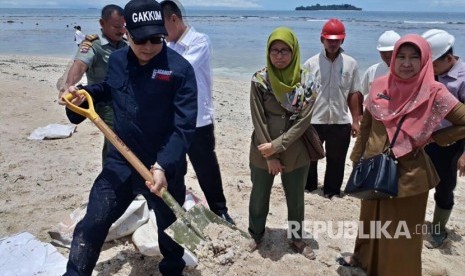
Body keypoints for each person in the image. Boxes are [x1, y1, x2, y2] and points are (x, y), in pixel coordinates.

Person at [61, 0, 198, 275]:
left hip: (164, 166)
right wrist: (87, 94)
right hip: (121, 159)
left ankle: (172, 269)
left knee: (170, 233)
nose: (148, 46)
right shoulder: (119, 60)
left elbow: (183, 128)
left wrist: (162, 165)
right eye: (140, 39)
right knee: (93, 222)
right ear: (127, 34)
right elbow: (110, 89)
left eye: (156, 39)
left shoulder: (180, 70)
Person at [341, 34, 465, 275]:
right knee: (371, 221)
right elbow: (367, 124)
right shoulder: (379, 85)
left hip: (409, 173)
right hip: (373, 166)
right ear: (393, 58)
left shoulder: (434, 92)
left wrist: (436, 137)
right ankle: (364, 261)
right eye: (401, 56)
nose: (406, 63)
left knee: (401, 232)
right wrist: (357, 158)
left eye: (414, 57)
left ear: (425, 61)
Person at [160, 0, 234, 224]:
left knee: (206, 168)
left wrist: (158, 73)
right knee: (175, 167)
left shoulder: (199, 41)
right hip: (172, 118)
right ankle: (178, 210)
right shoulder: (167, 45)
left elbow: (179, 72)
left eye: (163, 27)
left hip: (198, 119)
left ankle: (219, 210)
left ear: (174, 19)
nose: (161, 33)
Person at [247, 26, 317, 260]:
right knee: (259, 195)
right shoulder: (259, 80)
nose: (279, 55)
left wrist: (278, 147)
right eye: (274, 50)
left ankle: (296, 238)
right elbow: (258, 119)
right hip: (262, 147)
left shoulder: (307, 81)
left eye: (285, 50)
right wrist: (270, 154)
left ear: (294, 51)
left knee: (296, 198)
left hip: (295, 149)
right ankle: (256, 234)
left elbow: (303, 121)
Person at [58, 4, 127, 164]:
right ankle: (110, 176)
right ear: (102, 23)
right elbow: (80, 65)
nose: (121, 30)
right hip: (104, 102)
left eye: (123, 26)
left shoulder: (125, 44)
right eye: (116, 26)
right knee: (116, 137)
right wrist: (68, 86)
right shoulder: (92, 45)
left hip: (124, 99)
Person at [302, 18, 362, 198]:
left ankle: (332, 190)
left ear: (343, 40)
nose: (333, 43)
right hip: (314, 120)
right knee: (310, 158)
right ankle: (309, 186)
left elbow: (354, 93)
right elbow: (304, 95)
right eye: (329, 39)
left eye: (337, 39)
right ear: (322, 39)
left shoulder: (351, 64)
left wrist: (356, 121)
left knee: (337, 160)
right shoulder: (310, 64)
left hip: (340, 120)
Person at [422, 29, 465, 248]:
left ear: (449, 58)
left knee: (445, 186)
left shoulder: (462, 79)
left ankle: (438, 232)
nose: (431, 68)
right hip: (425, 140)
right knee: (418, 182)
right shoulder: (431, 72)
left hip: (451, 144)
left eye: (435, 64)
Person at [360, 30, 401, 96]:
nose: (387, 55)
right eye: (383, 52)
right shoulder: (372, 71)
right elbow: (360, 93)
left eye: (391, 52)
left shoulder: (406, 72)